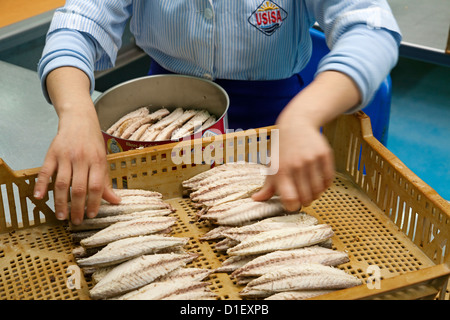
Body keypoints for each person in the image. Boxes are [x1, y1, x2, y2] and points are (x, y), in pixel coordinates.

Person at [34, 1, 402, 225]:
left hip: (275, 124)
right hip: (162, 126)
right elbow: (78, 25)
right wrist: (76, 114)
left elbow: (371, 28)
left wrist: (303, 116)